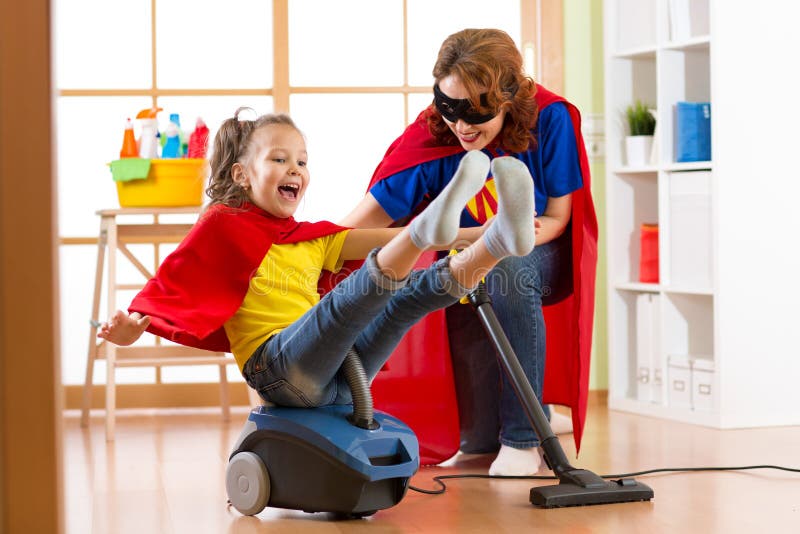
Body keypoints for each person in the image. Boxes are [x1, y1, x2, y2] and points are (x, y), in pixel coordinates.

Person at [97, 109, 541, 416]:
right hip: (274, 369)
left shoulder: (311, 239)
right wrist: (136, 325)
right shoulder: (223, 222)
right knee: (348, 300)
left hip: (340, 381)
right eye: (279, 159)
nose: (295, 169)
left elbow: (391, 240)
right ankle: (432, 225)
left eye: (302, 161)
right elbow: (177, 276)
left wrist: (479, 232)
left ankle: (499, 243)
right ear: (241, 174)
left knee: (405, 297)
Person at [339, 28, 598, 476]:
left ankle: (524, 437)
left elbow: (559, 219)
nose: (460, 125)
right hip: (465, 255)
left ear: (507, 96)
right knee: (453, 277)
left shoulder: (550, 118)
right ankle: (482, 434)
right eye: (449, 106)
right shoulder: (434, 135)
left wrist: (510, 240)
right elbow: (360, 224)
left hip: (537, 251)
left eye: (476, 110)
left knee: (505, 268)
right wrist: (294, 243)